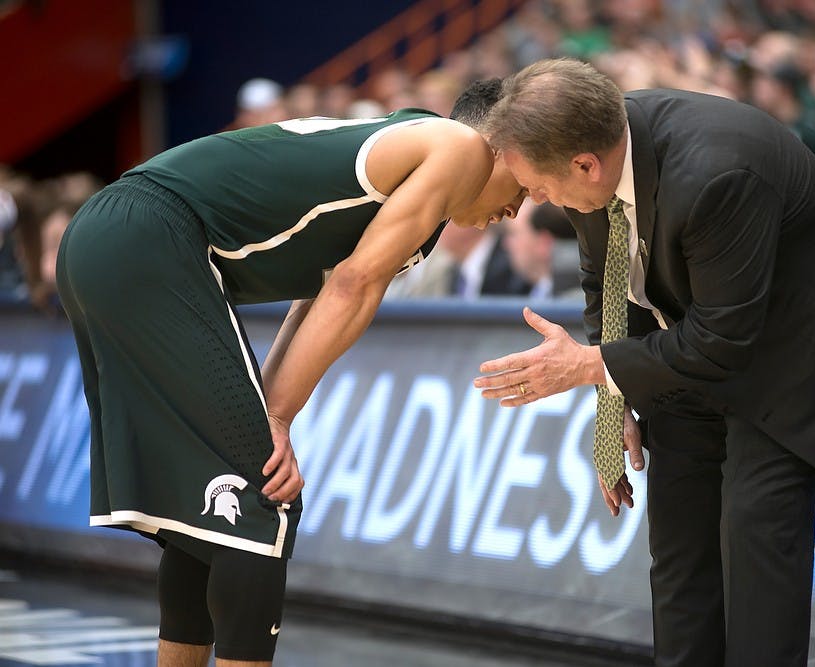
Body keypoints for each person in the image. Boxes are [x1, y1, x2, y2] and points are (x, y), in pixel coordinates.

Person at [55, 81, 526, 667]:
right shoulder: (461, 148)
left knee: (217, 506)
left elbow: (323, 296)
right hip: (149, 236)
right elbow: (354, 286)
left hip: (108, 235)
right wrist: (272, 419)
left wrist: (271, 414)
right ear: (500, 146)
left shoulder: (419, 159)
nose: (519, 208)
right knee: (265, 492)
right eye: (525, 183)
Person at [474, 59, 815, 666]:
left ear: (584, 166)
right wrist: (613, 405)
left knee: (755, 546)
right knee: (679, 559)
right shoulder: (586, 145)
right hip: (693, 358)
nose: (536, 202)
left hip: (789, 361)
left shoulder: (715, 173)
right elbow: (604, 281)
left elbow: (723, 339)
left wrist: (591, 367)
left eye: (542, 188)